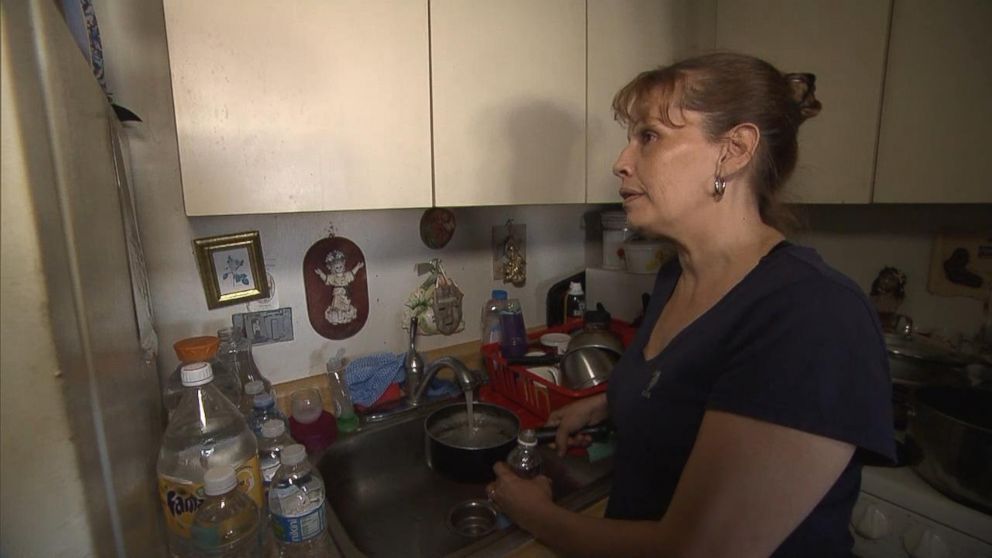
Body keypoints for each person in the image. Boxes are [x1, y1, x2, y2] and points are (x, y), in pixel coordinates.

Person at [486, 52, 895, 557]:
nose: (621, 161)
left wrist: (537, 514)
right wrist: (611, 402)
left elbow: (695, 551)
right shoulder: (678, 274)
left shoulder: (813, 314)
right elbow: (686, 384)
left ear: (734, 150)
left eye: (649, 136)